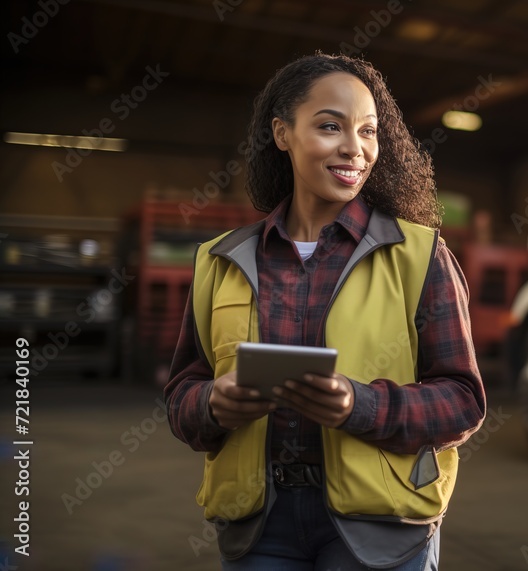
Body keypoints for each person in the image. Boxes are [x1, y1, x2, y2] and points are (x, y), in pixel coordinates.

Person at [165, 52, 486, 570]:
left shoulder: (420, 256)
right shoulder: (221, 259)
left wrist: (358, 406)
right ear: (282, 133)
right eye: (330, 126)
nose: (354, 149)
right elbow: (181, 393)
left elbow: (463, 402)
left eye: (368, 131)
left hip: (380, 528)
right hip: (259, 527)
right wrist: (212, 406)